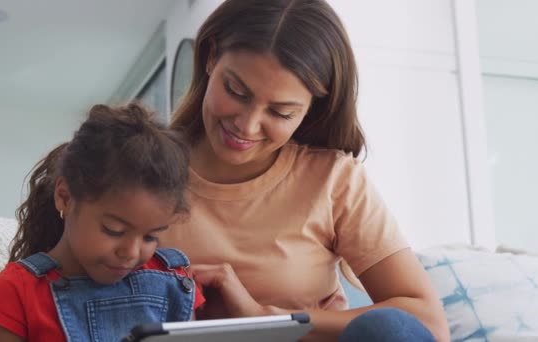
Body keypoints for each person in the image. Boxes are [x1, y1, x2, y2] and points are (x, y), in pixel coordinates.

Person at [162, 0, 450, 341]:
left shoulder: (333, 179)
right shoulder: (136, 168)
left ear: (312, 109)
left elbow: (427, 323)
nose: (248, 125)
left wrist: (270, 320)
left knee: (388, 329)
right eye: (236, 91)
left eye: (281, 112)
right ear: (211, 56)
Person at [0, 103, 205, 342]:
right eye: (114, 230)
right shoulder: (17, 291)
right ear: (65, 197)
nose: (131, 253)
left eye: (150, 236)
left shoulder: (174, 279)